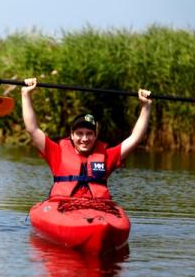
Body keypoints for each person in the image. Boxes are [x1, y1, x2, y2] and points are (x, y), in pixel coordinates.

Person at [21, 78, 152, 200]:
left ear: (95, 136)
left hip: (97, 209)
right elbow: (32, 129)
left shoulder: (107, 156)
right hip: (63, 207)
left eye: (89, 133)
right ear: (71, 135)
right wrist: (26, 95)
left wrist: (145, 107)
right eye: (79, 133)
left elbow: (135, 138)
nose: (84, 138)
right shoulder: (56, 153)